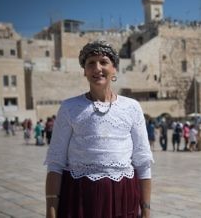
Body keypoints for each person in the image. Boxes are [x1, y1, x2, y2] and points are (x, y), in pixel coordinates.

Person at [44, 41, 154, 218]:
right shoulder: (69, 107)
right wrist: (51, 209)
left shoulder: (132, 107)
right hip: (80, 195)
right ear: (85, 71)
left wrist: (146, 209)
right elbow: (56, 162)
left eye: (103, 62)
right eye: (91, 63)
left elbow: (142, 162)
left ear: (114, 69)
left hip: (123, 195)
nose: (97, 68)